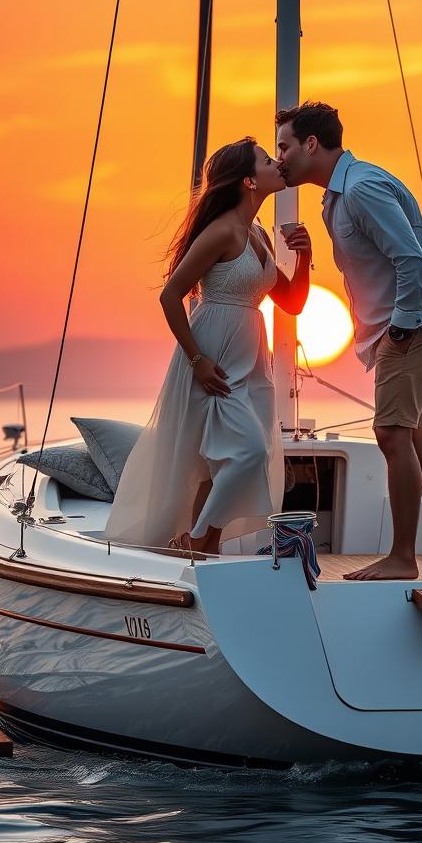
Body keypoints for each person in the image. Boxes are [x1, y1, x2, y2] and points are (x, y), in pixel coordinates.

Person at [275, 102, 422, 580]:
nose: (281, 158)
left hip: (410, 328)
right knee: (409, 433)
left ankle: (403, 558)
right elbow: (370, 265)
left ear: (311, 144)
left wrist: (400, 326)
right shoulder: (337, 196)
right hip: (398, 328)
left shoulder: (363, 188)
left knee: (391, 434)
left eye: (284, 146)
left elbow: (412, 261)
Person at [105, 137, 311, 555]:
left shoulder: (256, 233)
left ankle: (205, 546)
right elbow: (171, 294)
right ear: (249, 181)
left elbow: (292, 301)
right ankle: (197, 537)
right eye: (268, 160)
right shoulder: (221, 232)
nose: (277, 164)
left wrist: (304, 257)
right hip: (212, 354)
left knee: (222, 462)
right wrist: (197, 359)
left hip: (252, 358)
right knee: (248, 452)